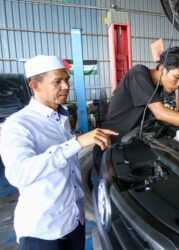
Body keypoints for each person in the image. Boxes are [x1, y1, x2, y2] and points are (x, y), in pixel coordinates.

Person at [0, 55, 118, 250]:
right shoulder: (18, 124)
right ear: (35, 86)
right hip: (44, 232)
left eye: (67, 80)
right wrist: (76, 143)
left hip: (73, 222)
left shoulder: (59, 117)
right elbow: (19, 174)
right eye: (57, 82)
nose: (66, 86)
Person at [102, 47, 179, 143]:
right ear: (162, 69)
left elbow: (155, 116)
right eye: (177, 77)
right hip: (112, 143)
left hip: (133, 139)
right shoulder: (138, 74)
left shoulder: (158, 85)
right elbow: (160, 113)